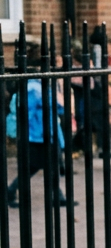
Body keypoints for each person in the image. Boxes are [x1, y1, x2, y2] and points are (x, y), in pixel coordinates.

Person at [6, 47, 73, 208]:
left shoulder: (40, 85)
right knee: (34, 168)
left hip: (46, 134)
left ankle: (58, 196)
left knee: (49, 167)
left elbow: (60, 107)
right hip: (37, 135)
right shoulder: (34, 88)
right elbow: (57, 106)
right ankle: (10, 191)